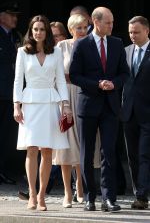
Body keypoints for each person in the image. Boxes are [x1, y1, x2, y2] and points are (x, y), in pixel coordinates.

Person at [69, 6, 129, 212]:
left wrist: (114, 83)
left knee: (109, 153)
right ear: (96, 22)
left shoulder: (117, 43)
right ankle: (89, 197)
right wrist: (97, 84)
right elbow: (75, 75)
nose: (112, 26)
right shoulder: (82, 44)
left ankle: (108, 199)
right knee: (86, 154)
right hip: (88, 105)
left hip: (110, 106)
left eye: (112, 22)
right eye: (108, 22)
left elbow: (124, 73)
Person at [13, 14, 72, 211]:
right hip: (30, 103)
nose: (38, 32)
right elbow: (17, 80)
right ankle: (31, 193)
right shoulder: (22, 51)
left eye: (42, 29)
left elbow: (61, 81)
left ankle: (41, 195)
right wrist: (16, 105)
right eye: (35, 29)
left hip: (49, 102)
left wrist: (65, 105)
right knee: (31, 149)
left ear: (47, 32)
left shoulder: (55, 52)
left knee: (47, 151)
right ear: (31, 31)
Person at [52, 14, 88, 208]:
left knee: (82, 145)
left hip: (84, 96)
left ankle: (80, 188)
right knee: (65, 146)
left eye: (85, 27)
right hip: (64, 98)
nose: (82, 31)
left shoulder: (90, 45)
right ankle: (67, 192)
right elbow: (54, 73)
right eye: (79, 28)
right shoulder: (61, 46)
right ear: (71, 29)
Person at [121, 16, 150, 209]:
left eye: (136, 32)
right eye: (130, 32)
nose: (132, 35)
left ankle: (142, 196)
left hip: (148, 113)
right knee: (132, 156)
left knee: (144, 154)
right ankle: (138, 191)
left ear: (147, 31)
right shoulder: (125, 52)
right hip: (128, 113)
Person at [0, 1, 22, 185]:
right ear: (1, 16)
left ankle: (1, 169)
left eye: (16, 15)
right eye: (11, 14)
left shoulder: (15, 36)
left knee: (6, 134)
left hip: (9, 92)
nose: (15, 18)